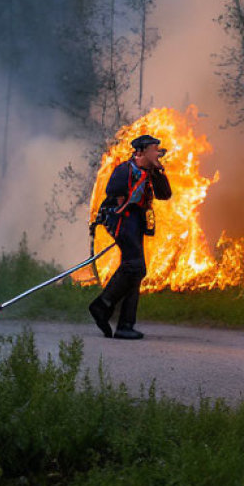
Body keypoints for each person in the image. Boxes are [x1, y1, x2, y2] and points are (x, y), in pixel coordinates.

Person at [88, 134, 172, 340]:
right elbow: (113, 191)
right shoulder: (125, 169)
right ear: (141, 151)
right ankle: (102, 305)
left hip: (136, 221)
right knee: (136, 267)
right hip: (122, 219)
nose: (158, 152)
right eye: (154, 149)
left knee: (135, 273)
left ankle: (125, 325)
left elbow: (165, 194)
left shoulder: (150, 172)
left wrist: (159, 172)